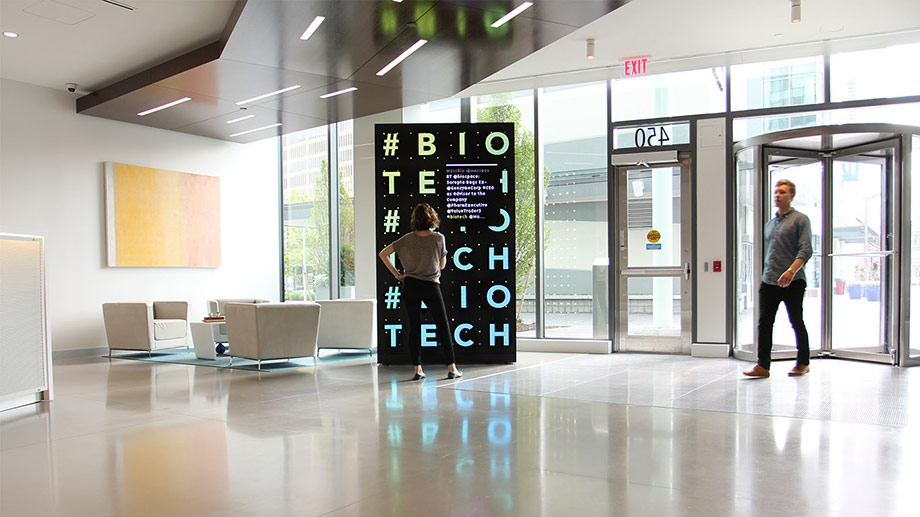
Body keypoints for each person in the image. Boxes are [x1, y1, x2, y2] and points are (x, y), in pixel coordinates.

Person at [379, 203, 462, 381]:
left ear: (414, 220)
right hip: (431, 285)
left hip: (410, 285)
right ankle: (452, 368)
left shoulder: (405, 240)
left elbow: (383, 254)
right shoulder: (438, 238)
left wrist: (398, 275)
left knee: (414, 327)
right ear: (432, 218)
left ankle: (417, 369)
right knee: (442, 325)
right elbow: (442, 264)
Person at [745, 179, 813, 378]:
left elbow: (806, 249)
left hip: (793, 281)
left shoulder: (800, 220)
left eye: (782, 192)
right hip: (769, 281)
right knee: (764, 323)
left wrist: (791, 271)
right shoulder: (770, 224)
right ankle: (762, 365)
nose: (778, 195)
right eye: (776, 192)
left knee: (796, 321)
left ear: (791, 196)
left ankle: (802, 363)